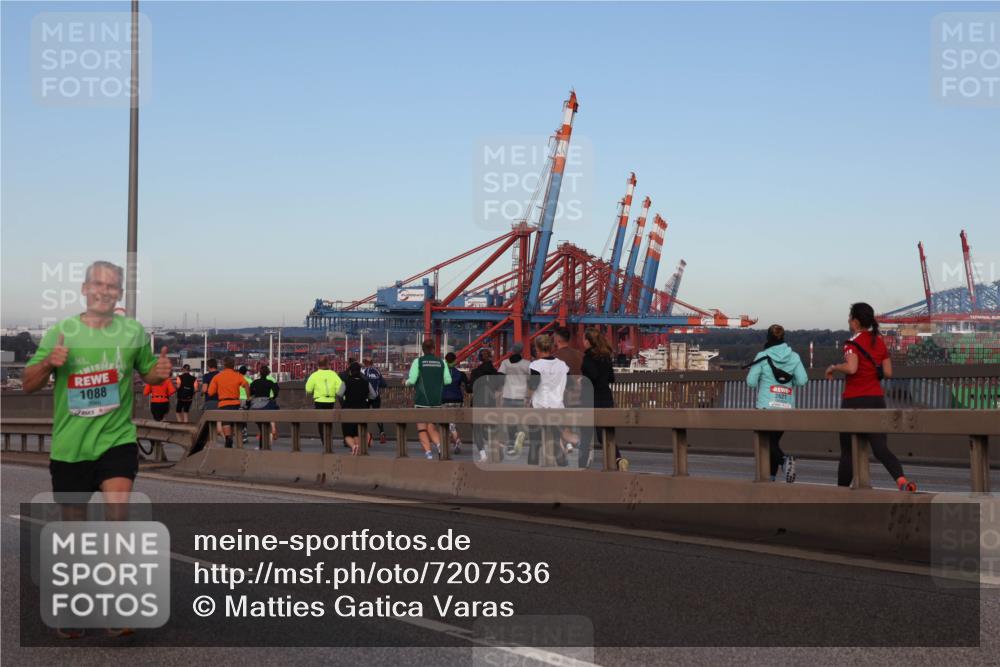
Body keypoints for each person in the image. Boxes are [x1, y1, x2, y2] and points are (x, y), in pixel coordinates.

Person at [22, 260, 171, 639]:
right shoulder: (61, 331)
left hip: (116, 439)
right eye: (98, 284)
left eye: (113, 286)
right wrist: (49, 365)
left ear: (119, 293)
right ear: (85, 289)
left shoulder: (133, 332)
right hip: (71, 447)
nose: (105, 291)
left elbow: (147, 372)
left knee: (118, 518)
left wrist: (160, 372)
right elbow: (27, 384)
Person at [826, 302, 916, 492]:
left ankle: (840, 493)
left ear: (856, 322)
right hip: (876, 399)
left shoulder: (851, 344)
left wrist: (834, 367)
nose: (848, 321)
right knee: (881, 448)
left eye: (850, 318)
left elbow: (851, 368)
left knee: (848, 452)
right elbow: (889, 372)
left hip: (854, 401)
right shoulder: (879, 341)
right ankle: (901, 480)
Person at [745, 324, 808, 482]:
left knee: (765, 443)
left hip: (766, 407)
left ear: (768, 337)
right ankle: (771, 478)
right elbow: (802, 380)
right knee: (773, 442)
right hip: (786, 408)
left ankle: (784, 460)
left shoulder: (762, 355)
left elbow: (751, 382)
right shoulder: (794, 357)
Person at [580, 328, 627, 470]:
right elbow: (611, 378)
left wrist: (582, 380)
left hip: (592, 398)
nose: (582, 342)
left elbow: (592, 376)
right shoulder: (606, 357)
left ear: (588, 342)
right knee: (606, 433)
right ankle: (618, 459)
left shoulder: (588, 357)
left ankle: (581, 463)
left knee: (586, 433)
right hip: (606, 397)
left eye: (583, 339)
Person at [527, 335, 569, 466]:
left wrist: (526, 401)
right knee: (556, 441)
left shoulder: (535, 365)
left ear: (538, 348)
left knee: (535, 442)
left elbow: (532, 386)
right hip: (558, 407)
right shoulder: (562, 365)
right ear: (551, 347)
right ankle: (562, 471)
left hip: (539, 407)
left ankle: (531, 475)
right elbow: (569, 385)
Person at [405, 339, 451, 460]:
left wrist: (405, 382)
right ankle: (440, 445)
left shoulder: (418, 362)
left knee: (422, 429)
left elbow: (412, 380)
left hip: (421, 402)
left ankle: (429, 453)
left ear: (423, 349)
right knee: (431, 427)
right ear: (433, 348)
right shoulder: (442, 362)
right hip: (436, 402)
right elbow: (448, 381)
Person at [207, 357, 250, 448]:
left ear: (224, 365)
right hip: (235, 403)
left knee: (226, 422)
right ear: (233, 365)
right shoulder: (238, 375)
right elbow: (246, 384)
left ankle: (228, 438)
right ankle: (234, 440)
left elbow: (210, 392)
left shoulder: (217, 377)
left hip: (223, 404)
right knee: (234, 423)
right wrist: (248, 397)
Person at [553, 327, 584, 453]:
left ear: (558, 339)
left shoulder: (554, 358)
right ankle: (569, 443)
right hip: (580, 395)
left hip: (561, 395)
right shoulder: (580, 355)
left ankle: (570, 441)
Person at [497, 342, 531, 456]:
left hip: (507, 396)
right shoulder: (527, 364)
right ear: (521, 351)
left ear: (512, 350)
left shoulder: (505, 363)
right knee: (520, 420)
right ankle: (520, 434)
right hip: (521, 397)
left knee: (510, 423)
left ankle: (512, 443)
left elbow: (500, 380)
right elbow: (532, 381)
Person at [469, 348, 502, 462]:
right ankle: (496, 447)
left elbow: (469, 389)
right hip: (490, 403)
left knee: (477, 429)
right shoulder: (496, 374)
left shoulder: (475, 372)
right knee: (491, 428)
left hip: (478, 402)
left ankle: (483, 455)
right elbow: (498, 387)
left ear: (479, 358)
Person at [336, 361, 377, 455]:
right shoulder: (366, 383)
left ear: (350, 371)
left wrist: (344, 401)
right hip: (362, 409)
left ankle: (354, 446)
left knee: (347, 434)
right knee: (357, 432)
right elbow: (373, 395)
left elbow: (339, 394)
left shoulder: (346, 382)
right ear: (360, 371)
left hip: (348, 409)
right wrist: (366, 400)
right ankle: (359, 447)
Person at [305, 357, 343, 445]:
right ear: (327, 364)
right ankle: (329, 438)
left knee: (321, 422)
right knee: (329, 421)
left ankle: (324, 441)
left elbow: (308, 389)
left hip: (319, 401)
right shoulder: (333, 374)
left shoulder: (314, 375)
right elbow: (340, 389)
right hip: (330, 401)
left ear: (318, 364)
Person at [442, 352, 471, 454]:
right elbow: (467, 387)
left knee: (449, 424)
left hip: (445, 399)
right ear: (455, 361)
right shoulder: (461, 374)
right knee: (452, 423)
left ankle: (456, 441)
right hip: (458, 400)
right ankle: (454, 442)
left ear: (445, 361)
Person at [248, 364, 280, 445]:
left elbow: (250, 392)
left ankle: (261, 444)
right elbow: (276, 391)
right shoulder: (270, 382)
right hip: (266, 404)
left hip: (255, 405)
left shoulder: (255, 382)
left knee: (261, 427)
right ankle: (272, 427)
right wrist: (272, 398)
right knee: (275, 408)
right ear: (268, 373)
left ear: (260, 373)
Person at [362, 358, 388, 444]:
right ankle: (382, 432)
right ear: (372, 363)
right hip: (376, 397)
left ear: (365, 363)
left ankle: (365, 435)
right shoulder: (377, 372)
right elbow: (384, 384)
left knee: (363, 415)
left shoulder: (363, 372)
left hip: (366, 397)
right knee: (377, 415)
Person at [200, 358, 223, 438]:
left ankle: (209, 442)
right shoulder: (221, 375)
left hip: (210, 401)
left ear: (209, 366)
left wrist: (201, 393)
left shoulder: (206, 376)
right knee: (218, 421)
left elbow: (204, 389)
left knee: (207, 422)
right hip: (220, 401)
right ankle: (227, 441)